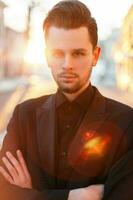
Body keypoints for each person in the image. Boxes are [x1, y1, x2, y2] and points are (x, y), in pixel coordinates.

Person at [0, 0, 133, 199]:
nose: (67, 64)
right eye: (57, 53)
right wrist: (73, 196)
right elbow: (5, 192)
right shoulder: (23, 116)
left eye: (78, 53)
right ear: (46, 56)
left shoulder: (127, 122)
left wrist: (31, 194)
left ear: (95, 56)